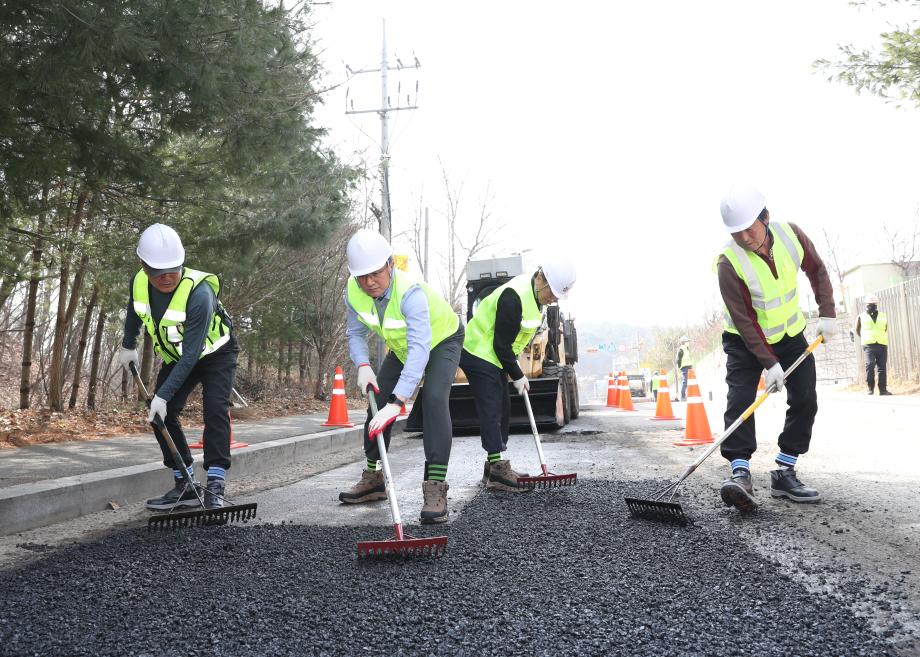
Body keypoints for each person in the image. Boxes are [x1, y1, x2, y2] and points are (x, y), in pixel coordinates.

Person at [715, 184, 836, 511]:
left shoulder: (790, 235)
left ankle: (785, 471)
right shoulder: (728, 263)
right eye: (736, 233)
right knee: (740, 400)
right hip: (744, 342)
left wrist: (827, 313)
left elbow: (818, 270)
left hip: (790, 335)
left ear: (765, 218)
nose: (744, 238)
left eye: (749, 229)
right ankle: (740, 473)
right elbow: (743, 320)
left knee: (806, 398)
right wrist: (768, 363)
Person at [338, 229, 463, 524]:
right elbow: (355, 332)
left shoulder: (410, 293)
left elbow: (421, 350)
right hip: (403, 346)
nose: (369, 282)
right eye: (362, 276)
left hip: (441, 341)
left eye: (376, 273)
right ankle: (373, 478)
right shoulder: (353, 291)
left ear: (391, 264)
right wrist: (363, 365)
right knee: (376, 399)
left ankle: (435, 488)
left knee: (433, 399)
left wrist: (399, 402)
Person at [118, 224, 239, 511]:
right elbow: (135, 309)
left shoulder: (200, 293)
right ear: (144, 267)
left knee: (215, 410)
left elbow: (192, 354)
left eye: (172, 269)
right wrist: (128, 344)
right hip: (177, 356)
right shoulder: (139, 282)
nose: (167, 277)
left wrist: (162, 395)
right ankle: (183, 481)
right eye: (158, 271)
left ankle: (216, 484)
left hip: (215, 354)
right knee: (161, 415)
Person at [460, 257, 576, 492]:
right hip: (478, 352)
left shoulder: (536, 299)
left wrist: (513, 371)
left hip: (494, 356)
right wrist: (518, 374)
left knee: (504, 407)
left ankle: (493, 467)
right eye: (552, 292)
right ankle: (498, 471)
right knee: (492, 407)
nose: (553, 298)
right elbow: (501, 344)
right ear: (541, 278)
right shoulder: (514, 297)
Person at [855, 294, 891, 395]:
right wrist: (866, 338)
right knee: (870, 364)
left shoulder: (883, 315)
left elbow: (885, 328)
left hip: (881, 344)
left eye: (874, 304)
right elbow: (858, 330)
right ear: (866, 305)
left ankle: (883, 390)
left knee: (882, 367)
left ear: (876, 304)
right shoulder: (860, 316)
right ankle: (870, 388)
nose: (872, 305)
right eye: (870, 304)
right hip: (868, 345)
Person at [676, 336, 693, 401]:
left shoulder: (686, 348)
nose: (688, 342)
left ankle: (690, 395)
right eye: (687, 341)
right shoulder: (681, 350)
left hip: (689, 366)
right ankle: (683, 396)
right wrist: (680, 367)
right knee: (685, 382)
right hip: (684, 367)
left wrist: (691, 366)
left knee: (691, 382)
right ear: (683, 342)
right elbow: (678, 360)